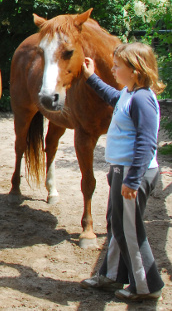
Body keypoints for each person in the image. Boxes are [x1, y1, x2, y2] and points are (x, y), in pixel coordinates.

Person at [79, 42, 165, 301]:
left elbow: (147, 142)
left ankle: (147, 285)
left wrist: (133, 179)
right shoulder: (128, 94)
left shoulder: (142, 99)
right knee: (117, 224)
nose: (113, 70)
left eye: (118, 66)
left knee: (129, 229)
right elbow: (111, 96)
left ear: (136, 70)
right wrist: (90, 77)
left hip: (132, 173)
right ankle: (113, 275)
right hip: (122, 170)